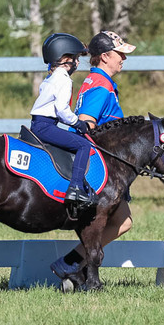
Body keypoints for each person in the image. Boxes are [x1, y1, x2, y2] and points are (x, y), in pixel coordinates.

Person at [50, 30, 137, 283]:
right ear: (105, 56)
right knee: (123, 222)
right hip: (102, 167)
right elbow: (87, 122)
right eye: (120, 54)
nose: (123, 59)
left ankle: (74, 265)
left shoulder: (95, 80)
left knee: (124, 221)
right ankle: (71, 263)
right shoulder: (101, 84)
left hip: (102, 164)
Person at [30, 33, 95, 211]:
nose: (77, 63)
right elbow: (62, 110)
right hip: (46, 126)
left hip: (38, 124)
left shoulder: (50, 78)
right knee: (83, 146)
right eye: (75, 58)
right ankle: (75, 188)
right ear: (65, 59)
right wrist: (78, 124)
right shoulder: (64, 80)